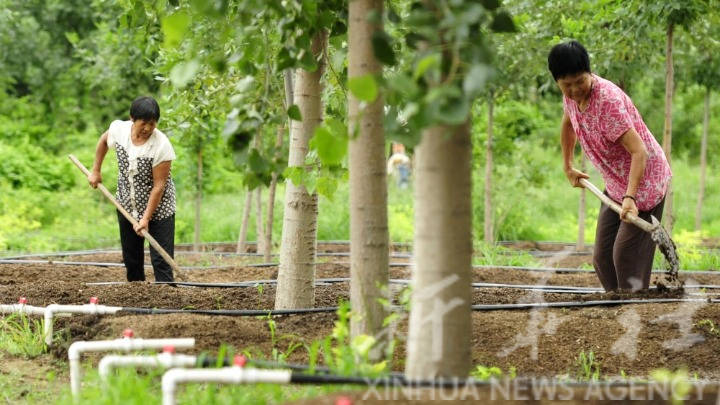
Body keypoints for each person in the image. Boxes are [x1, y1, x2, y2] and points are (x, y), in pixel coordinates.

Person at [548, 41, 671, 292]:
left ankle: (634, 311)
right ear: (558, 82)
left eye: (579, 81)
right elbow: (568, 123)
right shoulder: (570, 97)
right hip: (616, 183)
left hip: (644, 184)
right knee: (602, 259)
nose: (574, 90)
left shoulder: (607, 102)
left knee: (625, 256)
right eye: (566, 85)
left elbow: (640, 151)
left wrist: (631, 196)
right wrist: (568, 165)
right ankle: (619, 308)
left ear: (589, 72)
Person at [88, 96, 177, 282]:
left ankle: (168, 303)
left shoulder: (161, 145)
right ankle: (138, 300)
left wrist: (145, 218)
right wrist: (96, 170)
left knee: (161, 261)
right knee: (132, 259)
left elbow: (159, 186)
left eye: (152, 124)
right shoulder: (119, 131)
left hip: (159, 209)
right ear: (132, 119)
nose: (148, 129)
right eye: (143, 123)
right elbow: (104, 141)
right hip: (127, 205)